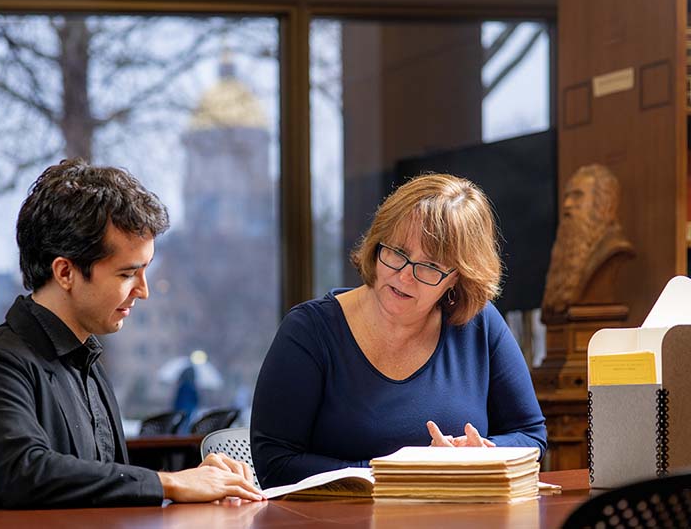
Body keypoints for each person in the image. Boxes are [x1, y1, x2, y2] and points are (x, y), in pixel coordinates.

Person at [0, 158, 265, 510]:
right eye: (126, 275)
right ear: (66, 272)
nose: (144, 291)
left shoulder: (86, 357)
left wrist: (196, 479)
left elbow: (102, 482)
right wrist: (171, 483)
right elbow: (27, 475)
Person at [250, 173, 547, 489]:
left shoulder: (479, 323)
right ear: (378, 241)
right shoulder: (310, 330)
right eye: (398, 253)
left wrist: (483, 454)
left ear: (457, 278)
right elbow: (274, 464)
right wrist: (405, 471)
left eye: (430, 266)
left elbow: (531, 436)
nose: (404, 277)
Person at [541, 163, 634, 320]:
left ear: (603, 203)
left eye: (577, 195)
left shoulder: (614, 250)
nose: (567, 204)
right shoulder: (564, 255)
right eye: (566, 197)